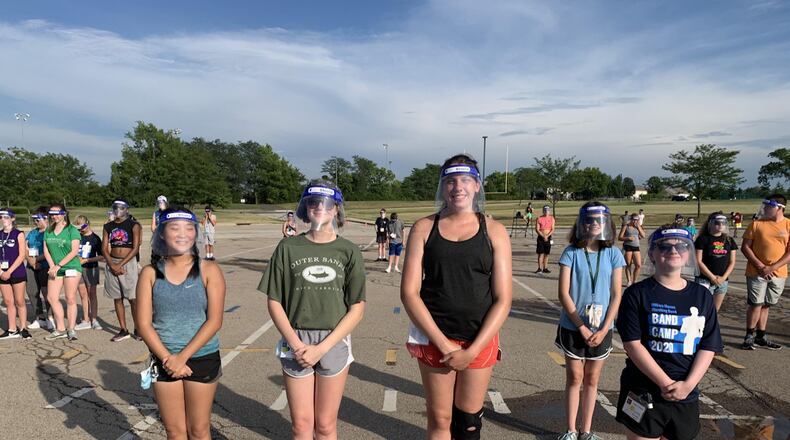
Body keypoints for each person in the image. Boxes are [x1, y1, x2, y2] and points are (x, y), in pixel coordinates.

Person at [401, 154, 512, 440]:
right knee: (440, 418)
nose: (457, 187)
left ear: (476, 185)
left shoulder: (495, 231)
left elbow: (503, 299)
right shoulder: (424, 228)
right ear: (442, 187)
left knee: (468, 421)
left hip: (480, 337)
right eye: (450, 181)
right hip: (436, 336)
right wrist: (443, 344)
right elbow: (410, 292)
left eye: (465, 180)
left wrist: (473, 350)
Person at [259, 180, 365, 440]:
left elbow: (357, 307)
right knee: (301, 426)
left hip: (333, 341)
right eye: (313, 202)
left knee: (326, 425)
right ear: (305, 208)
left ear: (336, 210)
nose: (320, 208)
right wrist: (296, 344)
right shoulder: (288, 247)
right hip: (296, 339)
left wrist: (322, 348)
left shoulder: (348, 251)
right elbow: (274, 301)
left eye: (326, 204)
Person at [615, 225, 723, 440]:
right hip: (643, 389)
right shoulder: (637, 294)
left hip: (686, 393)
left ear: (688, 253)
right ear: (652, 254)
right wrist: (664, 383)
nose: (673, 251)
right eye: (664, 246)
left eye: (681, 246)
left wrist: (688, 385)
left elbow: (709, 345)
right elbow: (632, 344)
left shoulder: (701, 295)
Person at [137, 207, 225, 440]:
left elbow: (215, 321)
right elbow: (144, 324)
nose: (182, 234)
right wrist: (168, 358)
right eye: (174, 228)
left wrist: (182, 357)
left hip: (201, 357)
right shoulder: (149, 273)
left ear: (195, 234)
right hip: (164, 359)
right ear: (162, 234)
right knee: (174, 432)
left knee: (199, 430)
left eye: (188, 228)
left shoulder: (209, 270)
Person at [555, 202, 625, 440]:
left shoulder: (614, 253)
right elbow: (563, 293)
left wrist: (605, 327)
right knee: (575, 377)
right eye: (589, 220)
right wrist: (581, 326)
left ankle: (586, 430)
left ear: (606, 224)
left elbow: (616, 294)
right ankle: (571, 430)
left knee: (592, 379)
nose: (594, 224)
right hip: (574, 326)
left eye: (599, 220)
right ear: (581, 223)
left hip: (602, 328)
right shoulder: (571, 253)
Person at [740, 195, 790, 350]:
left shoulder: (788, 225)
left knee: (766, 305)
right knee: (756, 304)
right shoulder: (756, 224)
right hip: (756, 272)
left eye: (769, 206)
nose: (766, 209)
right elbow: (745, 247)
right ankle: (749, 335)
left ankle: (761, 336)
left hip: (778, 273)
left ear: (779, 208)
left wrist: (773, 268)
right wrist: (761, 267)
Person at [102, 198, 143, 342]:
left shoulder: (134, 225)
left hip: (128, 263)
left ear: (127, 209)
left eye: (121, 207)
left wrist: (121, 264)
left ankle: (138, 328)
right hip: (112, 262)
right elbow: (104, 247)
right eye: (115, 207)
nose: (118, 210)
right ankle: (123, 329)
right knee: (117, 298)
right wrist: (112, 264)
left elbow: (135, 247)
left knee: (132, 298)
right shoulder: (108, 226)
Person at [43, 204, 82, 341]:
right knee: (52, 298)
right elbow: (46, 249)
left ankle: (71, 329)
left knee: (70, 298)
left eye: (57, 213)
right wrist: (52, 265)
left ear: (64, 213)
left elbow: (74, 251)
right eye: (52, 213)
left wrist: (58, 265)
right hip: (55, 268)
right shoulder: (48, 230)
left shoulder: (72, 230)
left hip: (71, 267)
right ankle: (60, 328)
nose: (54, 216)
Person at [694, 212, 738, 312]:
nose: (720, 225)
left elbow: (732, 262)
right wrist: (712, 277)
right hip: (704, 279)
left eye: (723, 223)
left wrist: (723, 278)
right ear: (710, 223)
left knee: (714, 310)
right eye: (717, 223)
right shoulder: (702, 239)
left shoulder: (729, 240)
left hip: (722, 281)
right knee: (703, 310)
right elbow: (698, 261)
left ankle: (711, 327)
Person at [0, 208, 31, 340]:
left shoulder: (19, 234)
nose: (3, 219)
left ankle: (23, 328)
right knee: (8, 301)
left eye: (6, 216)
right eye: (1, 217)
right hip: (2, 273)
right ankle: (12, 329)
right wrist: (1, 272)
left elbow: (22, 255)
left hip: (17, 272)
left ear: (12, 218)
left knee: (19, 301)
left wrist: (9, 271)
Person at [25, 207, 53, 331]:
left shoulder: (51, 233)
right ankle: (39, 317)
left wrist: (36, 260)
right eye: (34, 219)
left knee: (47, 293)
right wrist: (31, 261)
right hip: (31, 265)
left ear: (46, 219)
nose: (36, 221)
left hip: (45, 265)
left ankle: (50, 317)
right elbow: (25, 246)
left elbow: (51, 250)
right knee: (32, 292)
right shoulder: (32, 232)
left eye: (38, 219)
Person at [73, 216, 104, 330]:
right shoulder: (77, 237)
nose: (81, 230)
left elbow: (101, 256)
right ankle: (86, 319)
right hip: (78, 269)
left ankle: (94, 319)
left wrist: (87, 260)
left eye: (83, 227)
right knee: (83, 295)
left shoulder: (95, 238)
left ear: (88, 223)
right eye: (78, 228)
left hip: (91, 268)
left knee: (92, 294)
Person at [618, 213, 645, 286]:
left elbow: (643, 235)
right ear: (631, 219)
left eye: (637, 220)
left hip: (636, 247)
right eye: (634, 220)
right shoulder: (626, 226)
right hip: (628, 246)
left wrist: (639, 227)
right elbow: (619, 237)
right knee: (628, 264)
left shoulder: (638, 226)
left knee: (638, 265)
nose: (635, 221)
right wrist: (627, 238)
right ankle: (629, 281)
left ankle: (634, 281)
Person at [536, 205, 556, 274]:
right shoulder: (539, 218)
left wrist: (547, 236)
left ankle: (545, 268)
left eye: (547, 210)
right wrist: (543, 236)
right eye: (545, 210)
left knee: (546, 254)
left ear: (549, 211)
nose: (546, 212)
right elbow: (537, 229)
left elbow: (553, 229)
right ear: (543, 211)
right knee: (540, 253)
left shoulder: (552, 218)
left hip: (548, 238)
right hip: (541, 238)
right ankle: (539, 268)